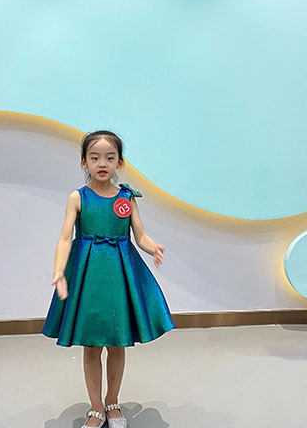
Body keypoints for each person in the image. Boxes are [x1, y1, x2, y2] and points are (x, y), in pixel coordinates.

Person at [42, 130, 175, 428]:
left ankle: (113, 403)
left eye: (109, 158)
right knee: (91, 345)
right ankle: (96, 408)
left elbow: (140, 235)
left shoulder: (127, 198)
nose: (102, 163)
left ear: (119, 163)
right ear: (84, 162)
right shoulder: (78, 198)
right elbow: (64, 237)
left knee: (117, 342)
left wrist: (153, 247)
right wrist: (59, 271)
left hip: (119, 276)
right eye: (95, 157)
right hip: (88, 277)